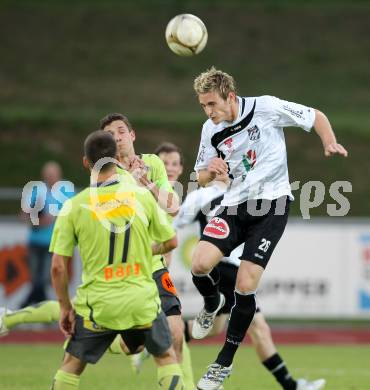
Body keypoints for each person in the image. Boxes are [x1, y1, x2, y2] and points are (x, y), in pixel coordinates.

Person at [190, 67, 348, 389]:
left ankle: (223, 362)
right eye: (204, 106)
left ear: (230, 97)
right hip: (234, 206)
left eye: (211, 104)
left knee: (245, 285)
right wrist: (210, 169)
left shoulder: (266, 107)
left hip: (271, 207)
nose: (208, 112)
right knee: (199, 263)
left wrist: (329, 142)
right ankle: (211, 303)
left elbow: (315, 116)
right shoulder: (211, 129)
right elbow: (200, 176)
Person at [49, 130, 184, 390]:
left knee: (71, 365)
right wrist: (144, 253)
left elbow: (57, 267)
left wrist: (65, 308)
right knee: (166, 358)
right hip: (141, 301)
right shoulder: (141, 196)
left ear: (86, 162)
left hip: (97, 305)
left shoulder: (74, 206)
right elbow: (171, 242)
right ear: (116, 159)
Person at [175, 183, 326, 390]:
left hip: (238, 268)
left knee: (217, 327)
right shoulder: (202, 195)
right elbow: (174, 220)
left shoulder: (249, 188)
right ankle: (290, 385)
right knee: (259, 328)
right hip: (224, 269)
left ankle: (163, 335)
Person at [20, 161, 73, 307]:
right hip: (35, 241)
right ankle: (42, 314)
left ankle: (23, 308)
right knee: (36, 281)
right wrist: (36, 220)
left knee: (43, 280)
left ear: (59, 175)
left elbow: (73, 215)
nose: (51, 177)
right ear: (44, 175)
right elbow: (23, 216)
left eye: (53, 174)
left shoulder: (66, 191)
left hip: (55, 243)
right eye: (48, 174)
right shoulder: (36, 190)